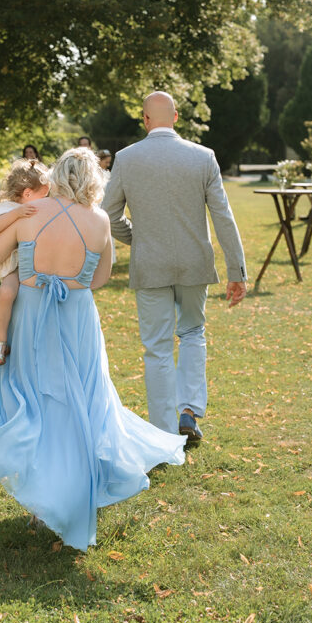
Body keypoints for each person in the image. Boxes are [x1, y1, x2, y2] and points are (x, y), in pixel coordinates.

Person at [0, 147, 186, 551]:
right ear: (92, 181)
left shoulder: (32, 213)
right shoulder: (101, 220)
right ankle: (76, 486)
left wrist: (26, 269)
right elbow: (99, 278)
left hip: (32, 315)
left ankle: (42, 498)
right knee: (84, 400)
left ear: (56, 176)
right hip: (78, 317)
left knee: (37, 399)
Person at [102, 90, 247, 442]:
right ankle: (189, 412)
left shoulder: (127, 158)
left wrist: (136, 238)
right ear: (177, 117)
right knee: (193, 333)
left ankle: (165, 430)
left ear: (145, 119)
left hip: (150, 262)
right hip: (195, 262)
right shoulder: (203, 156)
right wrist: (236, 271)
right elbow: (223, 217)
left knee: (157, 347)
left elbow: (107, 214)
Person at [0, 158, 50, 365]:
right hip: (14, 266)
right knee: (6, 292)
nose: (47, 199)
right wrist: (16, 214)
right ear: (28, 194)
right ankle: (0, 343)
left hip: (34, 262)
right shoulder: (8, 207)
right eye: (44, 195)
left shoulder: (39, 207)